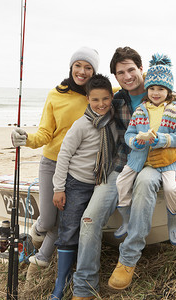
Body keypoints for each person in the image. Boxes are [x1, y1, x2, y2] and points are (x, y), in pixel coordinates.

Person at [71, 47, 176, 300]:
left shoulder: (169, 97)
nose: (127, 76)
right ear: (116, 77)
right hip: (123, 165)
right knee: (89, 219)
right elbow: (92, 112)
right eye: (120, 73)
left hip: (157, 167)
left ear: (141, 69)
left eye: (131, 69)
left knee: (144, 181)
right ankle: (83, 287)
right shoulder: (116, 100)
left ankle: (128, 259)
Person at [10, 47, 100, 278]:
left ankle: (39, 263)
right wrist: (26, 139)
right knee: (49, 219)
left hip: (79, 170)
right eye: (78, 65)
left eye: (88, 67)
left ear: (94, 71)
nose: (82, 71)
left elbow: (134, 86)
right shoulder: (55, 95)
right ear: (71, 67)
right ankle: (35, 234)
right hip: (52, 163)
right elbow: (45, 134)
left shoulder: (98, 95)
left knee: (62, 221)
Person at [49, 74, 117, 299]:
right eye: (95, 100)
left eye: (105, 99)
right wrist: (59, 188)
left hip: (100, 183)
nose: (101, 104)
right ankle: (62, 281)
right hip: (76, 183)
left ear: (112, 97)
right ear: (88, 99)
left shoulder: (113, 121)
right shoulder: (82, 124)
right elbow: (64, 154)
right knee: (69, 230)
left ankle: (82, 269)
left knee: (88, 225)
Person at [114, 53, 176, 246]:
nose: (156, 93)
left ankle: (172, 223)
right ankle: (126, 220)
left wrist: (163, 140)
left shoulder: (175, 110)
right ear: (147, 89)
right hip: (139, 158)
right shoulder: (141, 109)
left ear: (168, 91)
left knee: (171, 188)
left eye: (161, 89)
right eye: (152, 88)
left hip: (166, 161)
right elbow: (129, 133)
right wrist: (135, 142)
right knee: (121, 182)